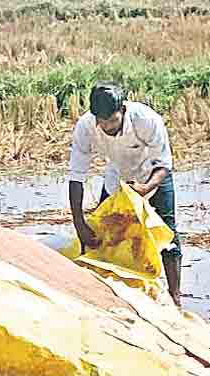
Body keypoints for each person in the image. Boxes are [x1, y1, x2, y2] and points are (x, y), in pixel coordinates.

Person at [67, 84, 181, 306]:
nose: (107, 126)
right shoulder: (86, 127)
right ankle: (105, 294)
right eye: (102, 121)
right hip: (117, 177)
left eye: (112, 120)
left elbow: (164, 164)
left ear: (123, 110)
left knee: (167, 235)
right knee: (103, 232)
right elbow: (76, 176)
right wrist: (79, 222)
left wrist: (145, 188)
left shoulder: (146, 120)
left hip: (152, 175)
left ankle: (175, 297)